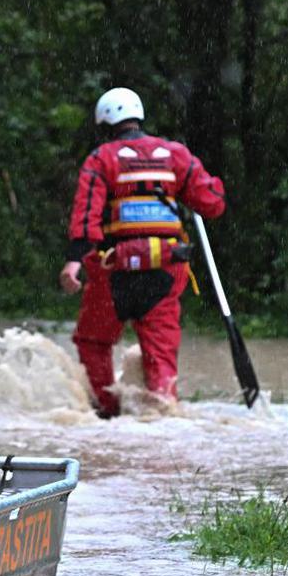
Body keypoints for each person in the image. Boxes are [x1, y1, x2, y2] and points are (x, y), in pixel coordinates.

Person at [59, 86, 226, 417]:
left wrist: (74, 261)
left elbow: (86, 215)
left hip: (113, 273)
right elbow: (213, 204)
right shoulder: (176, 155)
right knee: (161, 355)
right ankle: (164, 408)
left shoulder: (101, 159)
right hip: (164, 271)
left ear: (104, 124)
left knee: (93, 343)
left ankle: (106, 412)